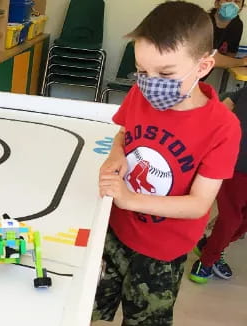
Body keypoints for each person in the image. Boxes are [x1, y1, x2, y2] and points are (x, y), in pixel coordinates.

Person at [91, 2, 241, 325]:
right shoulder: (140, 94)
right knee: (89, 309)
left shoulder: (222, 128)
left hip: (161, 254)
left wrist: (130, 198)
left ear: (203, 66)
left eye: (166, 73)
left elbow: (199, 204)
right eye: (142, 71)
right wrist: (116, 155)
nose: (149, 83)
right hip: (114, 231)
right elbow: (123, 133)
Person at [189, 87, 247, 283]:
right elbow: (222, 109)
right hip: (237, 168)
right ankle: (205, 262)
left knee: (240, 224)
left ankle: (210, 246)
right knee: (230, 220)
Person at [210, 0, 246, 68]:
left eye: (236, 1)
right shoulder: (203, 21)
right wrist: (243, 62)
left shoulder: (237, 25)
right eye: (227, 0)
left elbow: (230, 55)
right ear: (216, 3)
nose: (231, 4)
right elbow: (208, 58)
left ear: (241, 8)